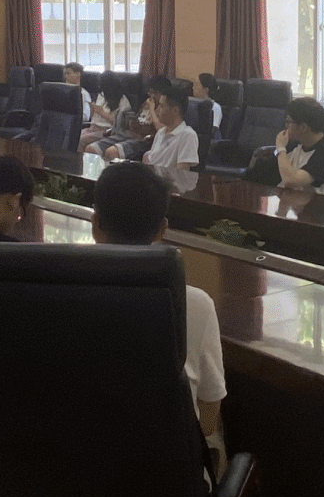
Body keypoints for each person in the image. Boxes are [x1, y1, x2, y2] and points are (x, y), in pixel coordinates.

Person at [89, 163, 224, 444]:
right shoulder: (196, 304)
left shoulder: (59, 293)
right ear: (162, 229)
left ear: (95, 223)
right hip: (169, 468)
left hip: (77, 464)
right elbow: (208, 421)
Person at [253, 97, 324, 195]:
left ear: (303, 127)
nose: (286, 126)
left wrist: (281, 149)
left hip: (315, 204)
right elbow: (268, 170)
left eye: (288, 121)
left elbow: (291, 182)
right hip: (288, 200)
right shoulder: (296, 144)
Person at [105, 83, 200, 170]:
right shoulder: (161, 132)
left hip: (165, 182)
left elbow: (182, 174)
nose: (157, 111)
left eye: (162, 106)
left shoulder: (187, 135)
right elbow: (152, 162)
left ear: (175, 110)